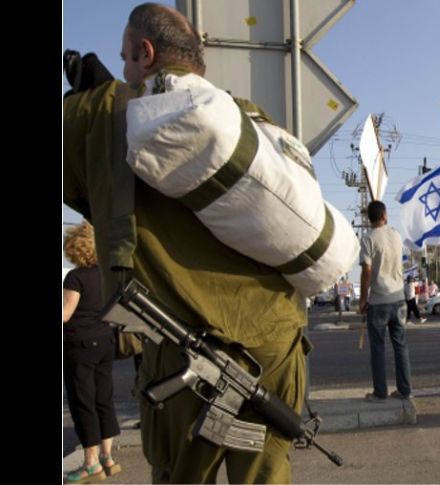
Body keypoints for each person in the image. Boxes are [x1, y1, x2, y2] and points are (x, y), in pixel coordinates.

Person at [63, 4, 309, 482]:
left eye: (125, 58)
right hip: (277, 347)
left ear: (145, 52)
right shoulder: (252, 121)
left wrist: (88, 100)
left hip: (185, 349)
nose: (123, 70)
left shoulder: (106, 111)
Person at [62, 222, 122, 483]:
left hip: (80, 346)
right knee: (103, 399)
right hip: (105, 342)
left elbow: (66, 313)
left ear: (74, 248)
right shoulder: (107, 275)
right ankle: (107, 458)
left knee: (83, 402)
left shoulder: (75, 278)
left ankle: (90, 464)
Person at [358, 201, 413, 401]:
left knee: (378, 348)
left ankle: (380, 392)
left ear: (368, 219)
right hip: (399, 300)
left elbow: (366, 271)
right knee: (400, 346)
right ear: (385, 215)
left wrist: (363, 300)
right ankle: (405, 390)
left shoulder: (367, 239)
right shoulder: (396, 235)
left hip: (379, 301)